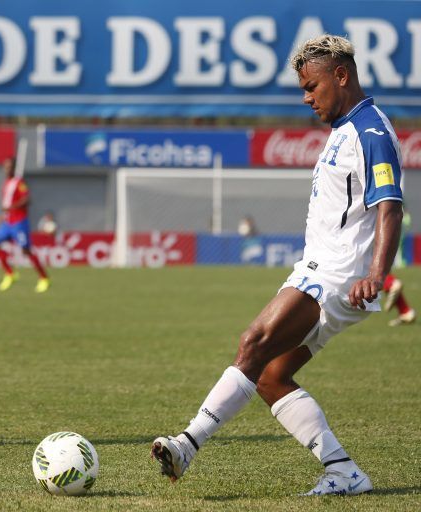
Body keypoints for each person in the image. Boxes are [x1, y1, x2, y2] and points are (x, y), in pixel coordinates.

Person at [151, 35, 404, 496]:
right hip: (325, 273)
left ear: (341, 76)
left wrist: (376, 275)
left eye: (312, 87)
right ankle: (343, 471)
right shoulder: (346, 130)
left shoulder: (370, 132)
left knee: (254, 340)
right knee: (270, 375)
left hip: (336, 276)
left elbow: (390, 206)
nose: (307, 98)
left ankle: (187, 444)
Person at [0, 157, 50, 293]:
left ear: (14, 168)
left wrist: (12, 207)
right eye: (5, 166)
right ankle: (10, 273)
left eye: (9, 166)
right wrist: (5, 214)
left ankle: (44, 278)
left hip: (19, 222)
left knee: (26, 250)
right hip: (7, 222)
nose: (7, 169)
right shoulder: (6, 183)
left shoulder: (19, 182)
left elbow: (27, 199)